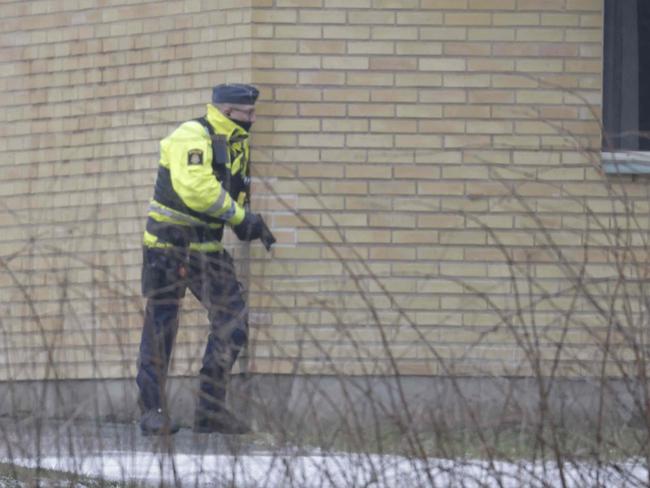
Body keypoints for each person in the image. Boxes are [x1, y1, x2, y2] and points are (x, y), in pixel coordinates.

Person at [136, 83, 275, 436]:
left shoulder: (236, 145)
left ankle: (210, 411)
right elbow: (197, 190)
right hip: (168, 247)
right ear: (228, 112)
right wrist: (241, 218)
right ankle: (151, 411)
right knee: (161, 327)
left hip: (207, 250)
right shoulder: (192, 135)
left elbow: (231, 192)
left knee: (233, 322)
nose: (253, 119)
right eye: (248, 113)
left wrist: (248, 222)